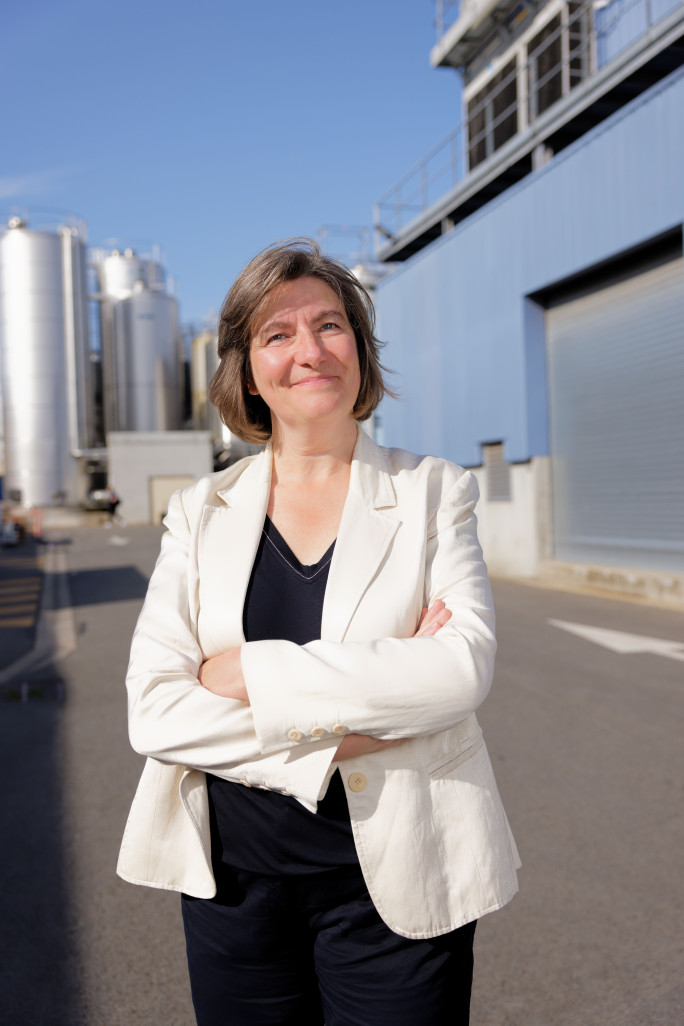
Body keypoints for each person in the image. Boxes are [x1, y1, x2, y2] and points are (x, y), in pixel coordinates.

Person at [118, 239, 520, 1026]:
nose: (309, 350)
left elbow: (459, 672)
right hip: (233, 889)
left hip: (397, 885)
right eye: (277, 334)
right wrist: (348, 733)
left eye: (330, 326)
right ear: (247, 369)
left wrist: (245, 674)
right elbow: (154, 712)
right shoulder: (201, 512)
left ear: (361, 353)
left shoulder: (433, 491)